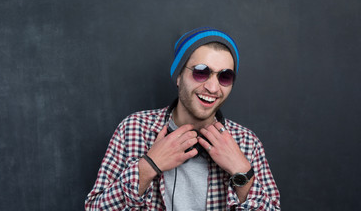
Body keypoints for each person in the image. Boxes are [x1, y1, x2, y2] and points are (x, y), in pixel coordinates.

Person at [85, 27, 280, 210]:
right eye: (201, 72)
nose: (213, 88)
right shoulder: (134, 129)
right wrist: (149, 165)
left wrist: (242, 172)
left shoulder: (247, 143)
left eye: (225, 77)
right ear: (178, 76)